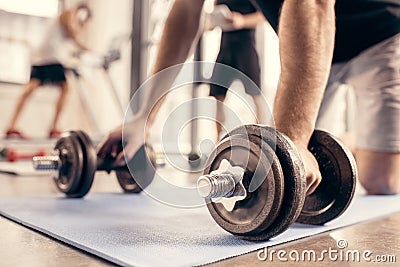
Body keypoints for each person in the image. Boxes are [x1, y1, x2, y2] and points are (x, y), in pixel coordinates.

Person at [98, 0, 400, 196]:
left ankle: (351, 142)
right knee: (297, 179)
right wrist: (143, 119)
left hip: (381, 34)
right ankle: (350, 141)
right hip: (314, 49)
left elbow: (312, 3)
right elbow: (185, 13)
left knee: (380, 182)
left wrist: (293, 139)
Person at [5, 3, 92, 139]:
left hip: (40, 56)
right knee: (65, 88)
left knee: (30, 88)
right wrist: (87, 49)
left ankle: (11, 126)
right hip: (50, 58)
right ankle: (54, 127)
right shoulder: (67, 14)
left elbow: (65, 40)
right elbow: (71, 34)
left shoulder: (63, 19)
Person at [206, 0, 266, 139]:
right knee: (217, 95)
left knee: (256, 95)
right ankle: (218, 139)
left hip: (246, 48)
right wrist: (213, 22)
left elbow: (263, 16)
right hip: (225, 48)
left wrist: (243, 20)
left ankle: (263, 138)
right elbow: (210, 21)